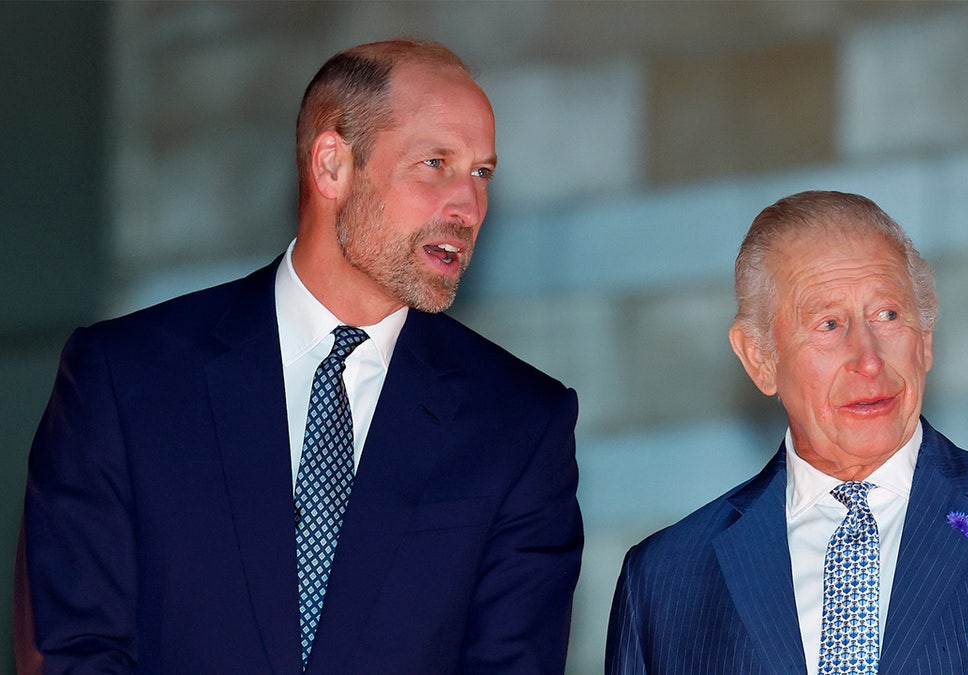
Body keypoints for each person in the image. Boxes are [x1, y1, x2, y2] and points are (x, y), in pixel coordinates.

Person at [16, 39, 583, 674]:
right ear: (331, 165)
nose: (468, 207)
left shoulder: (521, 424)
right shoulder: (126, 378)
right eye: (435, 163)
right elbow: (73, 649)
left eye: (482, 173)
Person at [606, 190, 968, 673]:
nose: (868, 359)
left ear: (926, 338)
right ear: (759, 359)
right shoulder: (664, 583)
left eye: (888, 315)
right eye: (829, 325)